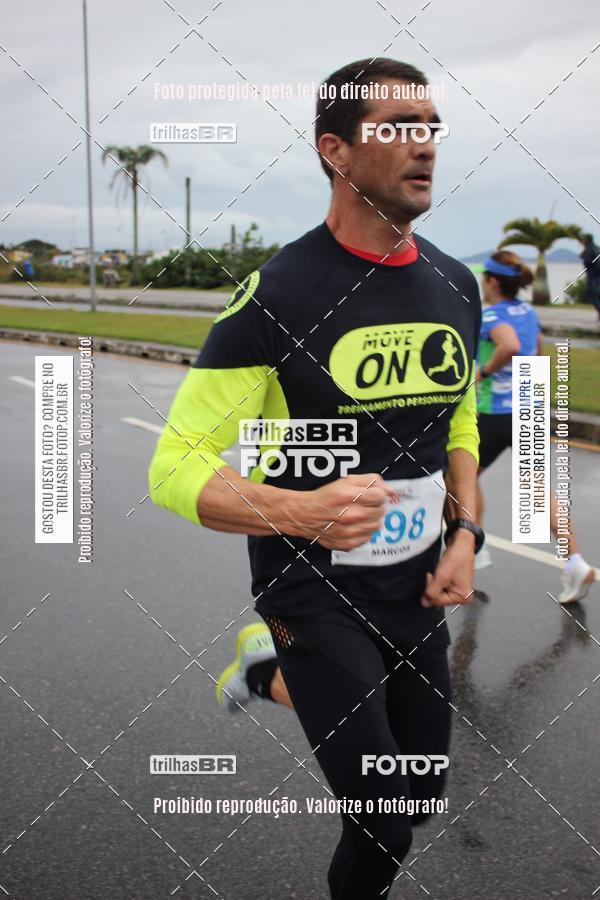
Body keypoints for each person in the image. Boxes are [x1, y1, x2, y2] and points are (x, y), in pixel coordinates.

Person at [149, 58, 484, 899]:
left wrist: (467, 534)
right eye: (398, 127)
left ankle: (262, 673)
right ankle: (279, 654)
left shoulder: (456, 283)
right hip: (310, 590)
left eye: (431, 126)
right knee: (382, 818)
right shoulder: (277, 297)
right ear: (336, 151)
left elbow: (461, 422)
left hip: (414, 586)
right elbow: (174, 467)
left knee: (419, 790)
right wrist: (302, 509)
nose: (425, 146)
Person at [474, 250, 595, 604]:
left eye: (485, 278)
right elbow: (537, 351)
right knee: (538, 490)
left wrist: (483, 372)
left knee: (460, 477)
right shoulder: (527, 312)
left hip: (495, 412)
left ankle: (473, 547)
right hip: (529, 407)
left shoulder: (491, 315)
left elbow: (508, 345)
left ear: (493, 282)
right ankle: (574, 561)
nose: (483, 283)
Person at [580, 233, 600, 320]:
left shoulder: (589, 249)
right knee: (596, 295)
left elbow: (586, 260)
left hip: (593, 276)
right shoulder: (597, 248)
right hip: (596, 275)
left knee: (592, 295)